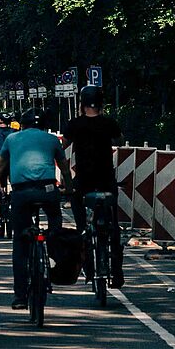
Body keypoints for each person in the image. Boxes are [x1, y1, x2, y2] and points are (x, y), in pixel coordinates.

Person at [0, 110, 71, 309]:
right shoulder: (52, 139)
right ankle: (54, 254)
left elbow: (0, 166)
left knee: (20, 242)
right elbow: (64, 167)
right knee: (55, 222)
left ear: (22, 124)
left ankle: (20, 296)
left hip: (22, 193)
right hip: (48, 189)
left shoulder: (11, 139)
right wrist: (69, 189)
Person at [63, 85, 127, 286]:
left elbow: (62, 145)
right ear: (101, 104)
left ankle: (86, 257)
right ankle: (117, 271)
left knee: (79, 213)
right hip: (106, 179)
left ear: (81, 104)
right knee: (113, 226)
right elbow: (120, 140)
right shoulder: (109, 123)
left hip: (83, 181)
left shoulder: (74, 125)